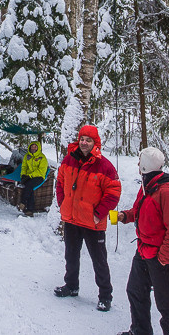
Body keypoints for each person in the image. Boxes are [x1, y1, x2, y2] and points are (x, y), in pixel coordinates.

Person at [116, 147, 169, 335]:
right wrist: (125, 216)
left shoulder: (166, 192)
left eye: (140, 161)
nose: (138, 164)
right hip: (144, 250)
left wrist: (164, 257)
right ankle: (140, 331)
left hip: (160, 256)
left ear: (146, 166)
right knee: (135, 290)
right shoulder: (148, 185)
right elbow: (139, 210)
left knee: (167, 304)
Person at [55, 124, 122, 312]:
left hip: (93, 223)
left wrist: (98, 214)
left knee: (99, 261)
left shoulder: (105, 166)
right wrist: (62, 203)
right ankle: (71, 286)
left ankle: (105, 296)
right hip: (72, 219)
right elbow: (60, 182)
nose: (84, 143)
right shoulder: (69, 159)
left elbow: (114, 192)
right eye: (82, 139)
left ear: (95, 143)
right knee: (71, 256)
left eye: (88, 140)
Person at [18, 140, 48, 215]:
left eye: (35, 147)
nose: (33, 148)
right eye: (32, 146)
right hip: (29, 176)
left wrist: (30, 175)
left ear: (38, 148)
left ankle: (23, 203)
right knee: (29, 187)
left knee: (29, 185)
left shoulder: (42, 157)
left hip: (39, 176)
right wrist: (23, 175)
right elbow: (24, 167)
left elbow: (41, 171)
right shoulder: (27, 156)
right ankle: (30, 210)